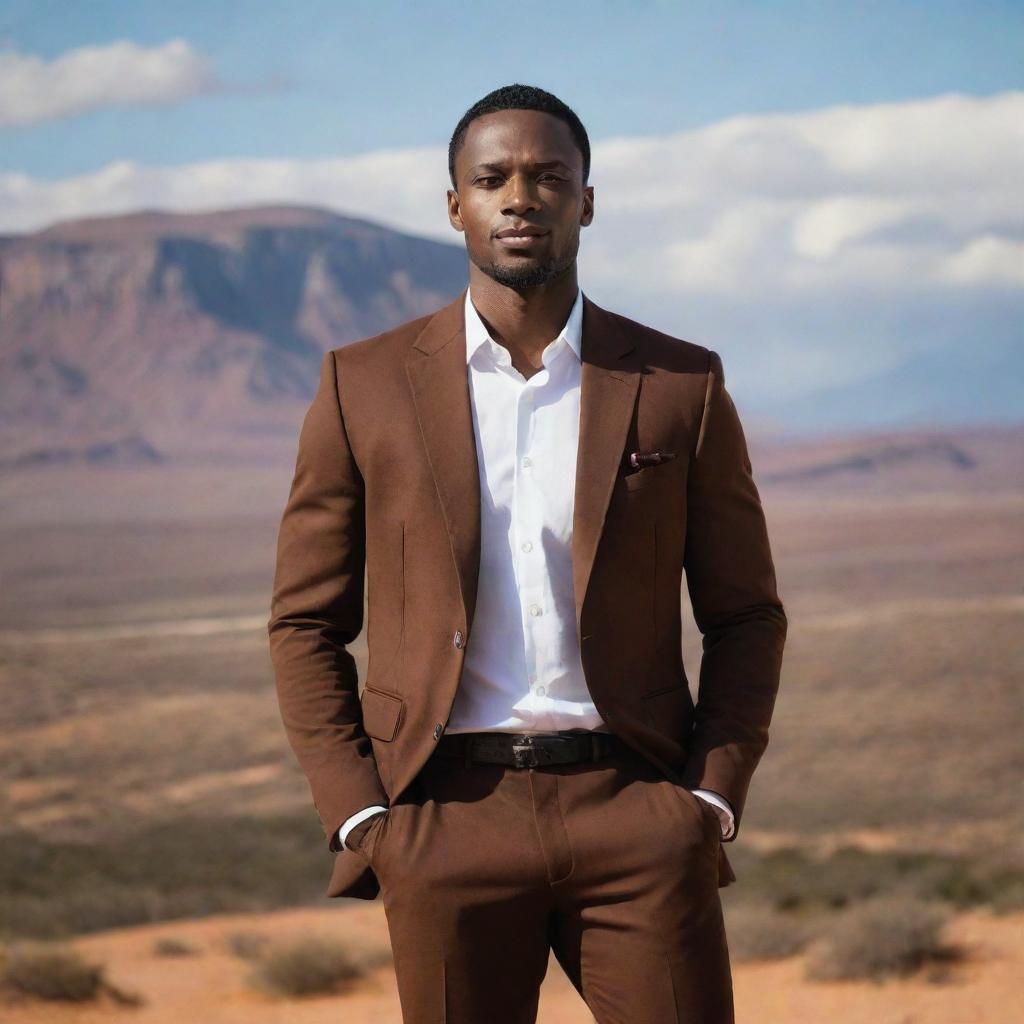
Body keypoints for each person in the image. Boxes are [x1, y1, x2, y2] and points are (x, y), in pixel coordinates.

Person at [268, 82, 787, 1024]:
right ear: (454, 203)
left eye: (550, 176)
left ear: (587, 200)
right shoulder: (364, 384)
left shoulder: (677, 382)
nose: (522, 196)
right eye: (494, 177)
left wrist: (708, 800)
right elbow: (305, 619)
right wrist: (362, 815)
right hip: (443, 819)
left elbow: (746, 613)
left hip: (637, 809)